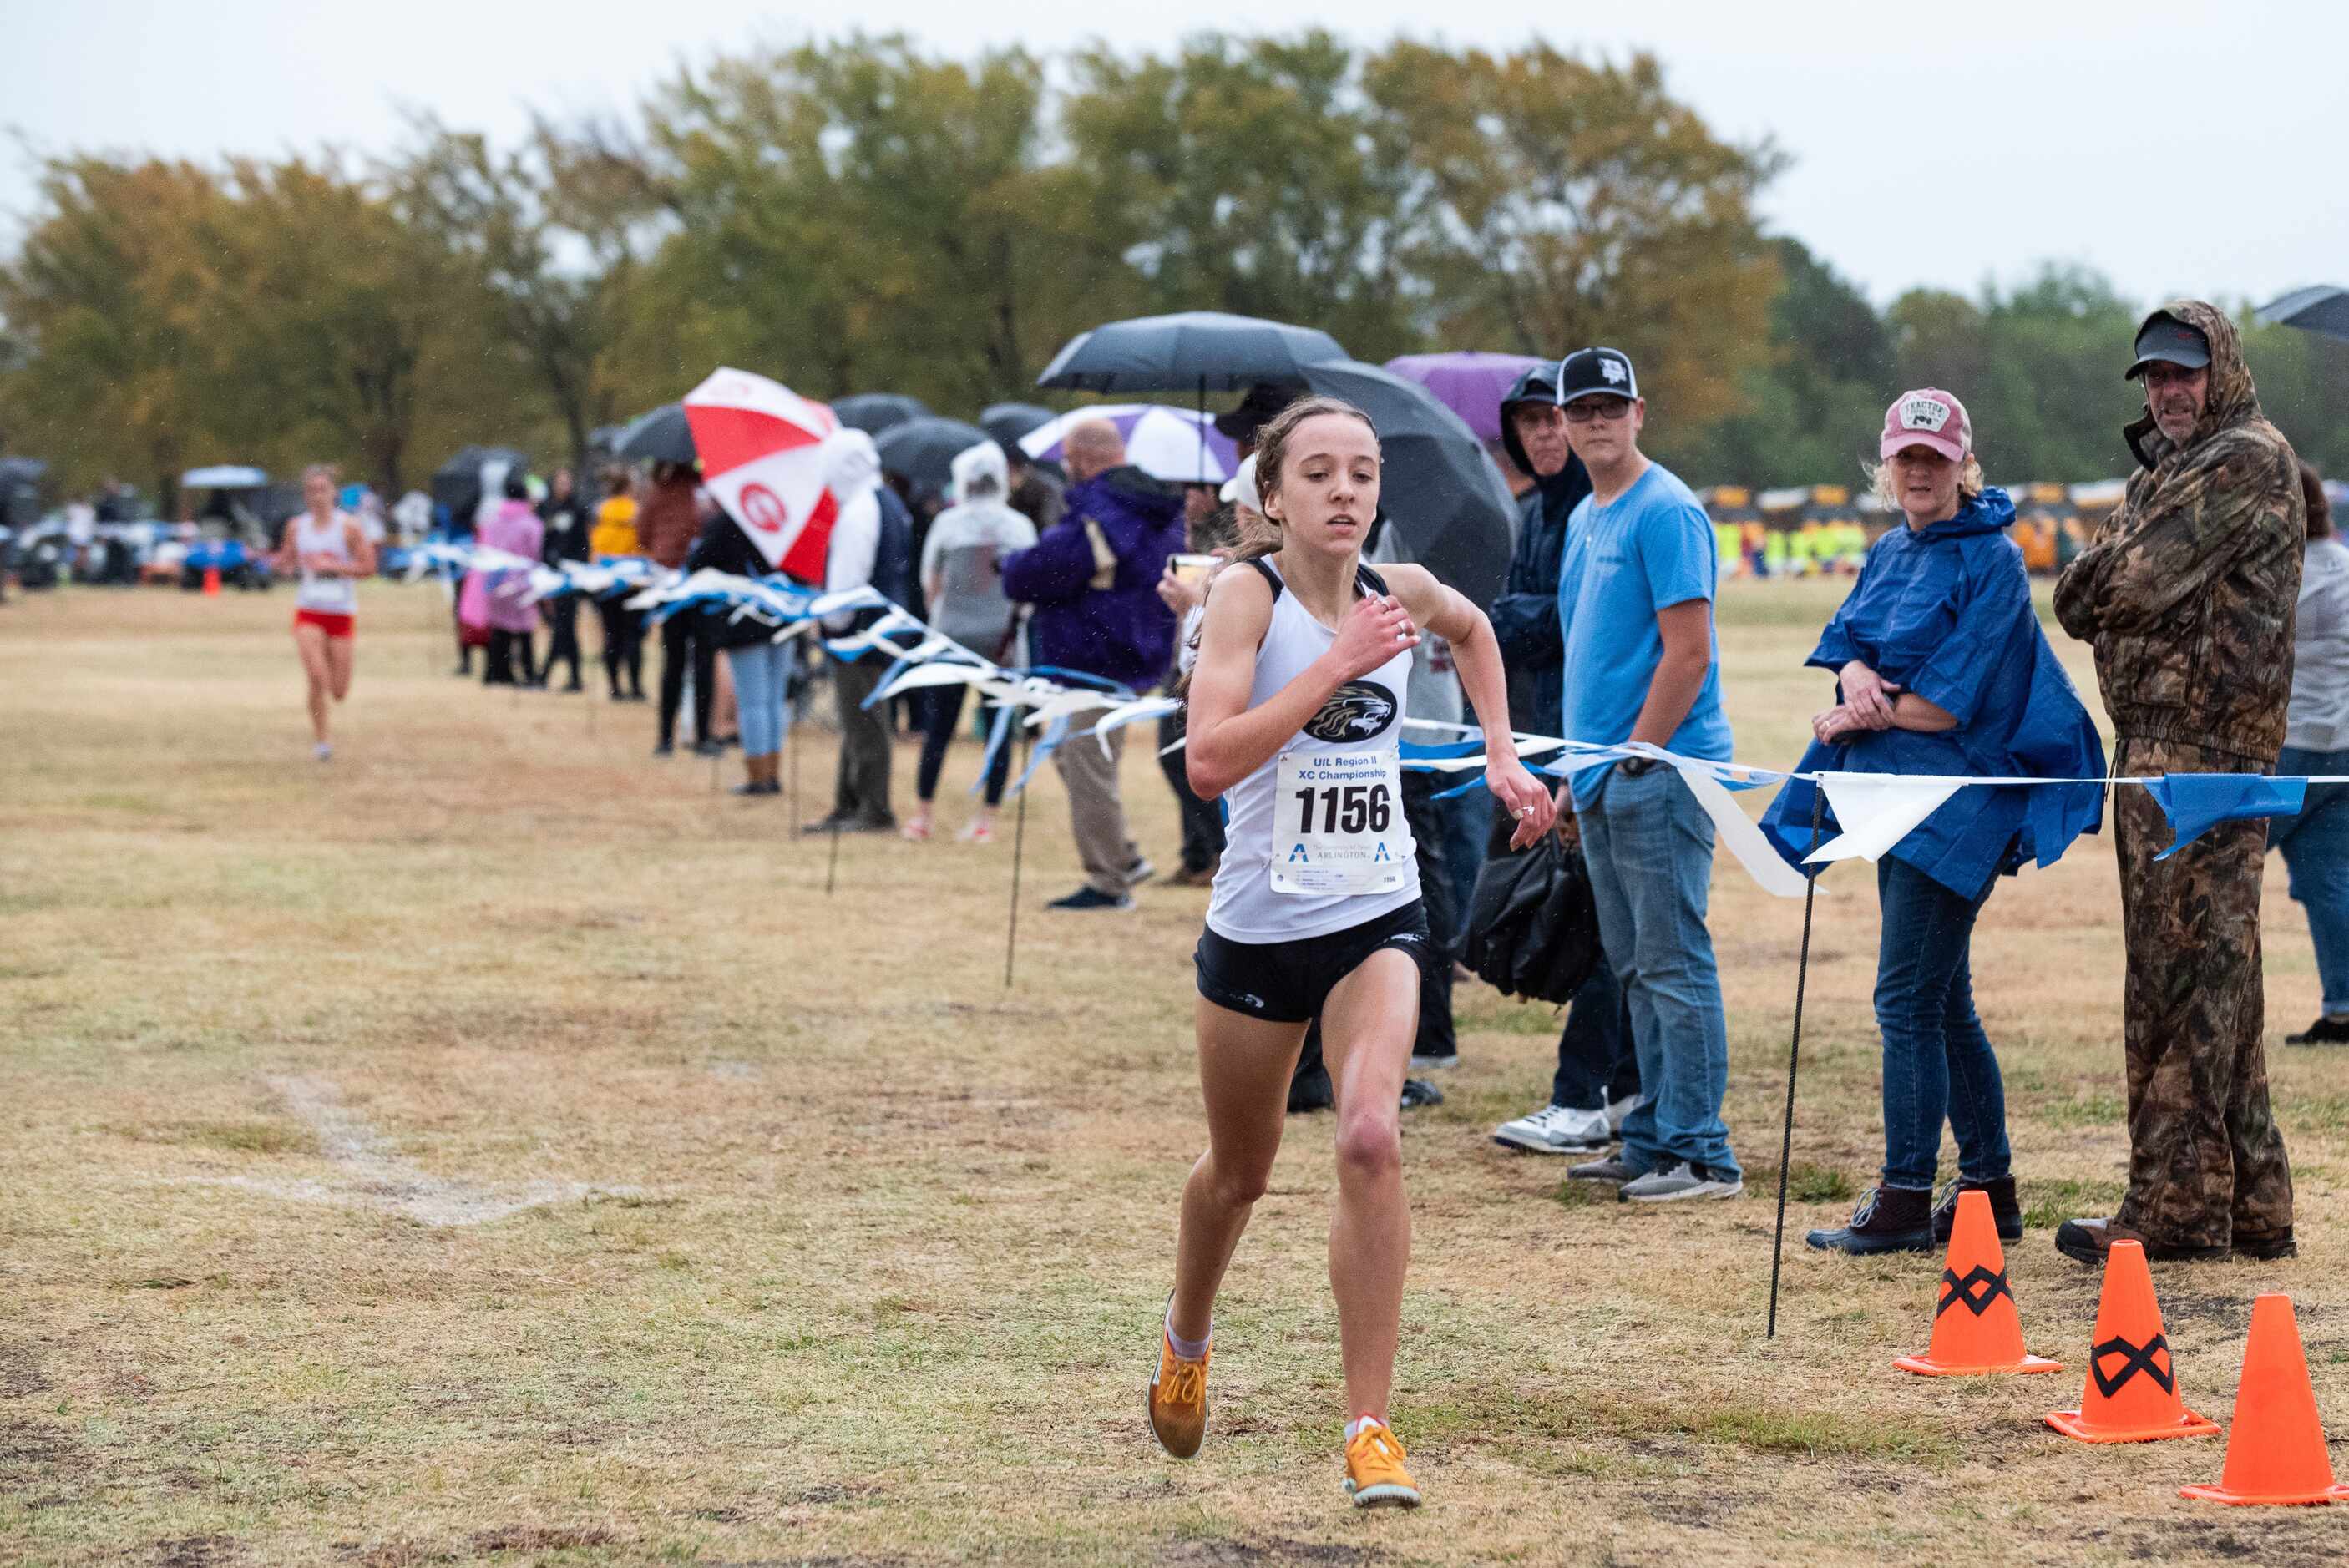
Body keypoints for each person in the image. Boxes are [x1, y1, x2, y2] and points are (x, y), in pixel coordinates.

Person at [1147, 395, 1554, 1508]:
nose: (1343, 492)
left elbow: (1473, 632)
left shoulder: (1398, 590)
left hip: (1376, 907)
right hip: (1259, 928)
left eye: (1362, 474)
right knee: (1240, 1172)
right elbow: (1209, 765)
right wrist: (1335, 664)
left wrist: (1504, 755)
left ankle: (1369, 1425)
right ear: (1271, 497)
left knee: (1372, 1136)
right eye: (1318, 473)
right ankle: (1188, 1332)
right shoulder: (1245, 598)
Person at [1759, 391, 2105, 1253]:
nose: (1918, 472)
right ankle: (1989, 1189)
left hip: (1958, 800)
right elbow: (1847, 642)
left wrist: (1857, 716)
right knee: (1942, 999)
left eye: (1934, 459)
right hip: (1892, 797)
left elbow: (1948, 707)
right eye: (1904, 458)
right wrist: (1848, 680)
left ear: (1962, 466)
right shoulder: (1889, 548)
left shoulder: (1989, 561)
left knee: (1903, 999)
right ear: (1886, 466)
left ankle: (1904, 1196)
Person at [2052, 301, 2304, 1263]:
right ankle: (2252, 1202)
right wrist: (2112, 570)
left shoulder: (2239, 457)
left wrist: (2099, 577)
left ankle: (2176, 1206)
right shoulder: (2172, 469)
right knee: (2218, 982)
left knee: (2176, 982)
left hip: (2198, 754)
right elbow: (2117, 581)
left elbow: (2106, 590)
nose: (2165, 393)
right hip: (2168, 745)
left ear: (2221, 371)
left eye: (2181, 375)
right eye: (2152, 378)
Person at [1546, 347, 1742, 1203]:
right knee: (1632, 966)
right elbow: (1588, 658)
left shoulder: (1665, 511)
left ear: (1637, 413)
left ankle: (1700, 1153)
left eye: (1608, 406)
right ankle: (1653, 1136)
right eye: (1579, 408)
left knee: (1671, 961)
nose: (1594, 420)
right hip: (1600, 777)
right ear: (1560, 423)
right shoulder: (1585, 516)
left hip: (1656, 772)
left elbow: (1687, 653)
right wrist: (1573, 776)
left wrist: (1633, 757)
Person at [1486, 360, 1643, 1159]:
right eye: (1533, 423)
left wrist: (1494, 619)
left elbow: (1580, 626)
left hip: (1593, 740)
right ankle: (1623, 1085)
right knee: (1589, 917)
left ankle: (1582, 1094)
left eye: (1557, 420)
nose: (1546, 435)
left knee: (1597, 922)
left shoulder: (1603, 508)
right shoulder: (1538, 515)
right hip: (1544, 728)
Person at [1002, 418, 1186, 911]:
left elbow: (1042, 571)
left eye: (1067, 458)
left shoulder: (1101, 509)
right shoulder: (1158, 506)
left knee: (1088, 765)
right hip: (1140, 645)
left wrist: (1012, 564)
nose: (1064, 468)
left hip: (1097, 654)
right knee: (1066, 750)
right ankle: (1123, 856)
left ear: (1080, 458)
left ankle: (1109, 883)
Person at [907, 443, 1036, 841]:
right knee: (998, 728)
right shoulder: (1018, 526)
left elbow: (930, 581)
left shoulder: (949, 524)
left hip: (952, 637)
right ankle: (988, 819)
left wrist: (949, 613)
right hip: (1003, 641)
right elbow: (1029, 585)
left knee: (938, 727)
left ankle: (923, 816)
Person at [2273, 465, 2349, 1045]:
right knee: (2329, 882)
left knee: (2212, 863)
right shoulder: (2346, 569)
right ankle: (2343, 1007)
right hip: (2342, 748)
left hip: (2289, 746)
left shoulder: (2279, 579)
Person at [807, 430, 915, 835]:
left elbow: (848, 580)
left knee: (865, 721)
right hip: (879, 628)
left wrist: (831, 624)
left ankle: (873, 809)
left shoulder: (860, 510)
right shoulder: (886, 501)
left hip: (860, 633)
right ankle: (849, 802)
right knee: (858, 720)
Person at [684, 503, 794, 797]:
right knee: (773, 699)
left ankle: (758, 776)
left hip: (746, 621)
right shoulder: (785, 517)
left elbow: (696, 563)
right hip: (784, 615)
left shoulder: (729, 523)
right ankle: (771, 772)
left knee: (753, 702)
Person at [270, 463, 376, 761]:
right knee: (317, 676)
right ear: (305, 496)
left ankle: (324, 729)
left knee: (339, 691)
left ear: (334, 493)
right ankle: (322, 740)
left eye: (323, 490)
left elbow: (369, 568)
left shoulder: (349, 527)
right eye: (312, 491)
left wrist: (334, 567)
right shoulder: (296, 527)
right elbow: (286, 561)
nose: (318, 496)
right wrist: (279, 565)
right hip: (309, 610)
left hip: (341, 612)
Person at [640, 460, 716, 756]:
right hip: (701, 583)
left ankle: (665, 738)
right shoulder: (706, 495)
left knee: (672, 662)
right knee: (703, 661)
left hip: (667, 583)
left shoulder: (658, 493)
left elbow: (642, 534)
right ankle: (703, 736)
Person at [477, 475, 544, 688]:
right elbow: (535, 552)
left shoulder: (493, 521)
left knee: (499, 630)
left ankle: (496, 672)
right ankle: (528, 674)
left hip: (496, 581)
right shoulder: (531, 524)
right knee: (524, 631)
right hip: (521, 583)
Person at [590, 468, 648, 703]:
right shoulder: (637, 511)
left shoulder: (601, 511)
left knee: (611, 635)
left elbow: (595, 545)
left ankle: (615, 686)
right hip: (633, 581)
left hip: (606, 579)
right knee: (634, 635)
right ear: (629, 487)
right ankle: (635, 687)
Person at [539, 467, 590, 692]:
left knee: (564, 625)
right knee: (562, 627)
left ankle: (545, 674)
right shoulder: (546, 509)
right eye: (561, 481)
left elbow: (583, 543)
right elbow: (543, 541)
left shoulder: (578, 510)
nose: (564, 486)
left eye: (568, 481)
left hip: (571, 575)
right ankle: (572, 676)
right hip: (550, 574)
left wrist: (578, 567)